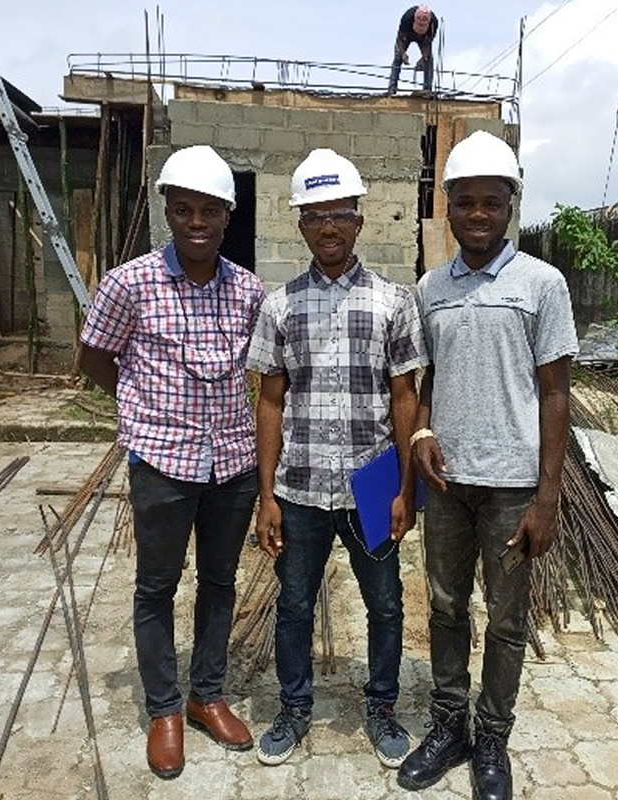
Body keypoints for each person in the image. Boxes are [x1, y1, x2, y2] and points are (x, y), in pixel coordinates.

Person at [397, 130, 578, 800]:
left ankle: (492, 737)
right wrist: (420, 436)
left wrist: (547, 498)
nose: (477, 213)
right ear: (447, 207)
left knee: (505, 619)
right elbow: (428, 379)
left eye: (491, 202)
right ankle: (450, 728)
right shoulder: (431, 287)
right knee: (445, 608)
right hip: (447, 484)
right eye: (464, 202)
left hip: (512, 486)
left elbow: (555, 392)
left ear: (511, 207)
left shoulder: (542, 284)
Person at [79, 144, 264, 779]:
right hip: (161, 462)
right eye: (183, 210)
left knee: (219, 582)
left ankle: (205, 694)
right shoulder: (130, 283)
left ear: (227, 216)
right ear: (167, 211)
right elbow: (94, 358)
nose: (196, 223)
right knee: (156, 586)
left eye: (209, 212)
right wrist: (140, 410)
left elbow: (264, 373)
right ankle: (164, 710)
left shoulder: (248, 291)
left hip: (233, 464)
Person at [247, 148, 429, 769]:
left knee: (385, 602)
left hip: (375, 480)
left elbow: (405, 397)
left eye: (340, 214)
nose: (329, 227)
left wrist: (406, 486)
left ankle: (381, 707)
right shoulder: (280, 305)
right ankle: (294, 708)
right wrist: (266, 494)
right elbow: (269, 401)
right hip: (299, 484)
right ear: (300, 224)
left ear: (359, 220)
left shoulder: (392, 301)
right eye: (316, 215)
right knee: (294, 603)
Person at [388, 5, 438, 94]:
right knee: (398, 57)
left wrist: (424, 58)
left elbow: (429, 42)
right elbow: (399, 38)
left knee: (429, 60)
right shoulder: (407, 18)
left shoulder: (434, 23)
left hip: (424, 37)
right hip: (407, 34)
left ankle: (427, 89)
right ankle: (392, 88)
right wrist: (403, 53)